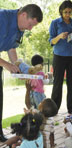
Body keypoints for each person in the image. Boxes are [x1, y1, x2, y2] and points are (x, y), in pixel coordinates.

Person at [0, 4, 43, 141]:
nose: (30, 29)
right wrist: (6, 64)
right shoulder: (2, 18)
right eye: (30, 25)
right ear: (23, 15)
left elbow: (11, 48)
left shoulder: (20, 26)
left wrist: (18, 68)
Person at [49, 0, 72, 114]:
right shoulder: (55, 23)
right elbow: (51, 41)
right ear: (61, 12)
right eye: (65, 12)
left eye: (70, 12)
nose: (67, 14)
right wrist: (59, 36)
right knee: (58, 82)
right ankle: (53, 108)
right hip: (59, 56)